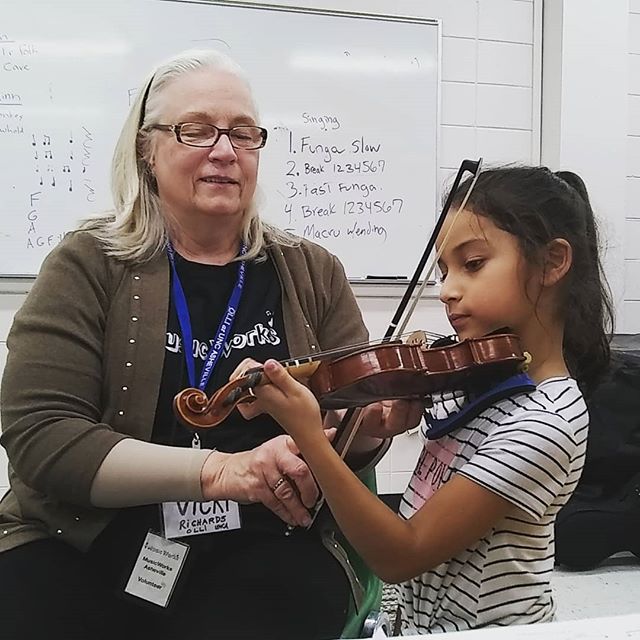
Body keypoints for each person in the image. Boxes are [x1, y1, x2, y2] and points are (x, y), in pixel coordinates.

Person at [0, 49, 422, 640]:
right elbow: (42, 438)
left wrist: (371, 427)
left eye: (244, 134)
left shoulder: (313, 271)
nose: (224, 151)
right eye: (196, 130)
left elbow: (344, 440)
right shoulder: (86, 264)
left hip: (265, 537)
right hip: (88, 532)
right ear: (148, 148)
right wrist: (221, 471)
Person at [252, 166, 615, 634]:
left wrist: (308, 434)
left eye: (474, 264)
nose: (447, 290)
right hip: (418, 624)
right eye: (443, 269)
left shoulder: (547, 420)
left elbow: (401, 555)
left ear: (552, 262)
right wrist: (374, 421)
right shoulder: (472, 374)